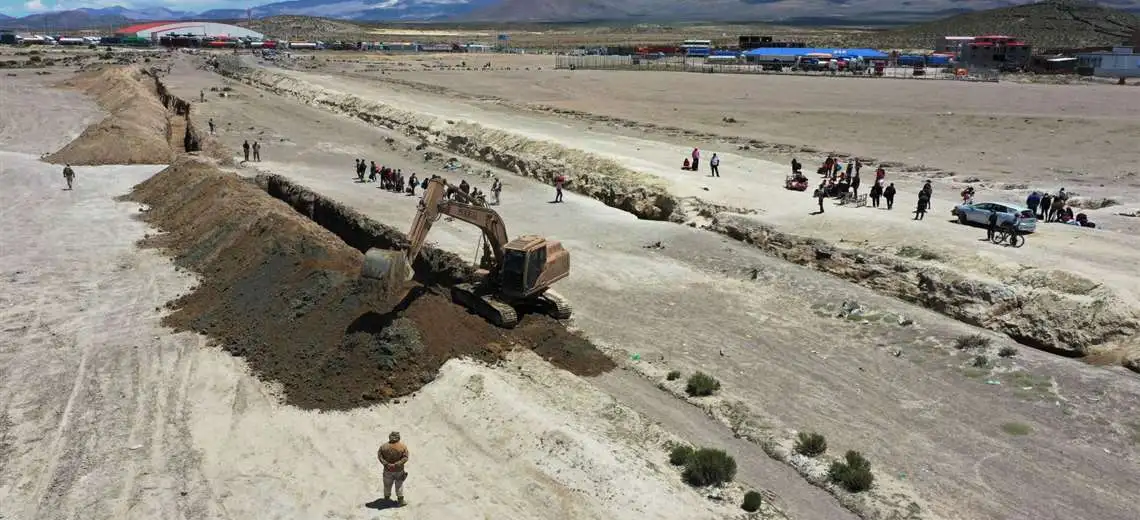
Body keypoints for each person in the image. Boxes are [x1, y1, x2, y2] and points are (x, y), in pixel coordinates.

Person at [378, 431, 409, 506]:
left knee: (387, 485)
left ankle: (386, 500)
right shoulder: (403, 447)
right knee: (399, 484)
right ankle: (400, 501)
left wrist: (386, 464)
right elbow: (405, 457)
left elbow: (380, 456)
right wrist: (396, 464)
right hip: (399, 470)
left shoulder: (383, 446)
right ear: (398, 438)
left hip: (387, 470)